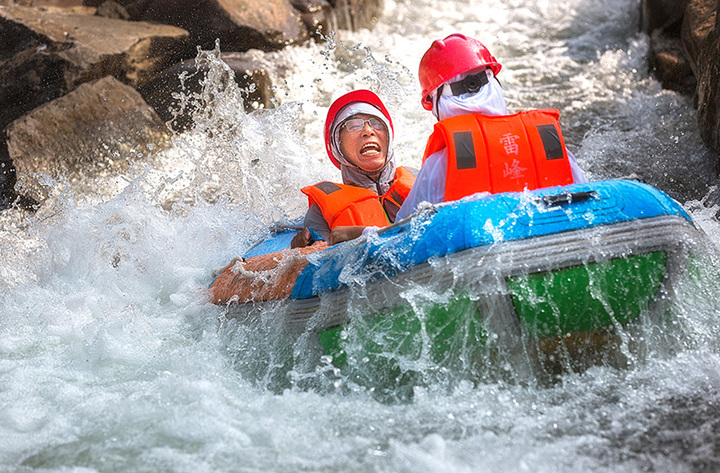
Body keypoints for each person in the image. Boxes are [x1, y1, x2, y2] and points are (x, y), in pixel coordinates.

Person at [395, 33, 586, 221]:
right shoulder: (547, 139)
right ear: (494, 83)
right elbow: (586, 199)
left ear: (437, 102)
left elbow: (402, 231)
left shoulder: (438, 166)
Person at [291, 90, 416, 248]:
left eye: (377, 123)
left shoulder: (423, 179)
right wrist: (299, 252)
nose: (368, 131)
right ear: (338, 147)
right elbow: (324, 264)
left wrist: (360, 234)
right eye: (353, 125)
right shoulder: (320, 213)